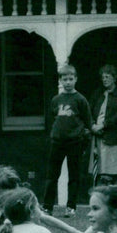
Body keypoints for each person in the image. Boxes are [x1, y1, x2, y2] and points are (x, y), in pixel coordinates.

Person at [42, 64, 92, 217]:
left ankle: (71, 207)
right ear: (60, 81)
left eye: (71, 79)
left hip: (74, 143)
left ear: (76, 79)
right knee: (52, 175)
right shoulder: (56, 99)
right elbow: (52, 119)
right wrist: (53, 135)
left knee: (74, 176)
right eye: (65, 79)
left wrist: (82, 139)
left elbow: (88, 123)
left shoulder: (80, 100)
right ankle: (47, 207)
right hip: (57, 142)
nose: (68, 82)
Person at [89, 64, 117, 185]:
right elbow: (88, 111)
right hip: (97, 137)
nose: (104, 79)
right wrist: (92, 125)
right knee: (99, 172)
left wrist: (104, 125)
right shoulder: (98, 94)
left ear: (114, 78)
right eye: (103, 77)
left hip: (113, 138)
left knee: (113, 173)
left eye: (107, 76)